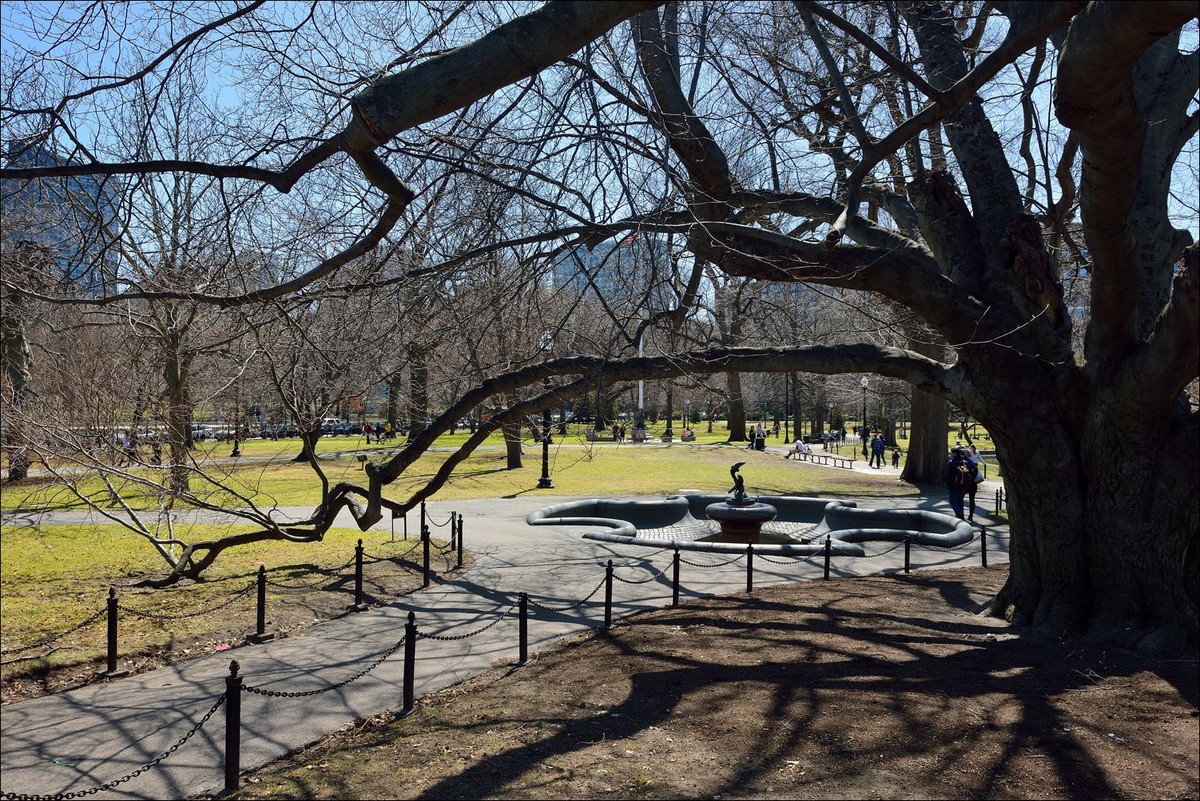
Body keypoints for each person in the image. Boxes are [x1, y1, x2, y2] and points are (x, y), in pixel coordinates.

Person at [944, 446, 978, 521]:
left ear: (954, 454)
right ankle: (962, 515)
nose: (950, 455)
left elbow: (948, 474)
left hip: (954, 484)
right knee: (960, 500)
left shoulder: (952, 462)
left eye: (951, 453)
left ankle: (959, 515)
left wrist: (948, 484)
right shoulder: (965, 462)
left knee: (953, 501)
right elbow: (974, 470)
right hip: (964, 485)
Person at [965, 443, 985, 521]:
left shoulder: (967, 462)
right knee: (972, 499)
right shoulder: (977, 452)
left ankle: (963, 515)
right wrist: (983, 463)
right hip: (973, 484)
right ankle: (971, 515)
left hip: (968, 484)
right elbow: (980, 458)